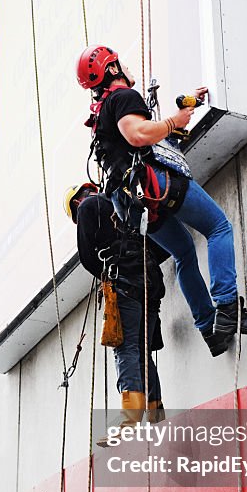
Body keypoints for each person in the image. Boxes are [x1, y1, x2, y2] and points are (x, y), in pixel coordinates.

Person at [76, 45, 247, 357]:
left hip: (133, 204)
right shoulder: (123, 97)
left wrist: (179, 118)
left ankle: (209, 328)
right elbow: (138, 135)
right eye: (121, 63)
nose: (127, 67)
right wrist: (174, 120)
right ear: (112, 70)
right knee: (218, 227)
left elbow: (137, 144)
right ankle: (227, 308)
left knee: (183, 252)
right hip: (156, 185)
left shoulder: (102, 115)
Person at [66, 182, 167, 432]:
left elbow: (88, 256)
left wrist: (108, 273)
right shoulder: (124, 200)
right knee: (142, 350)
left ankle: (131, 413)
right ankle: (155, 410)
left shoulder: (88, 206)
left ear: (76, 204)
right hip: (151, 283)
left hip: (126, 284)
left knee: (126, 348)